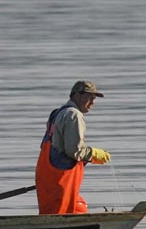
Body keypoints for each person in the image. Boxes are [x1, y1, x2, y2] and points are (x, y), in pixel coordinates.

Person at [35, 80, 111, 214]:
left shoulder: (57, 113)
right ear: (77, 95)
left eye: (94, 99)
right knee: (65, 213)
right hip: (60, 178)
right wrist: (94, 154)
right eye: (89, 98)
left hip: (47, 176)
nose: (92, 103)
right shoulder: (73, 115)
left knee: (71, 209)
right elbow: (74, 150)